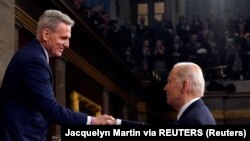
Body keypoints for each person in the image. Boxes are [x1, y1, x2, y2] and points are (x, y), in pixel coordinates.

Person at [0, 9, 114, 141]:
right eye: (63, 38)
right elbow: (51, 110)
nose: (67, 44)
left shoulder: (34, 55)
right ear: (46, 34)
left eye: (68, 39)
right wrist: (94, 121)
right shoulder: (35, 60)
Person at [111, 62, 216, 125]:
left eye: (170, 81)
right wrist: (116, 123)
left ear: (184, 85)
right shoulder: (194, 113)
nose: (165, 88)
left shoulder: (193, 120)